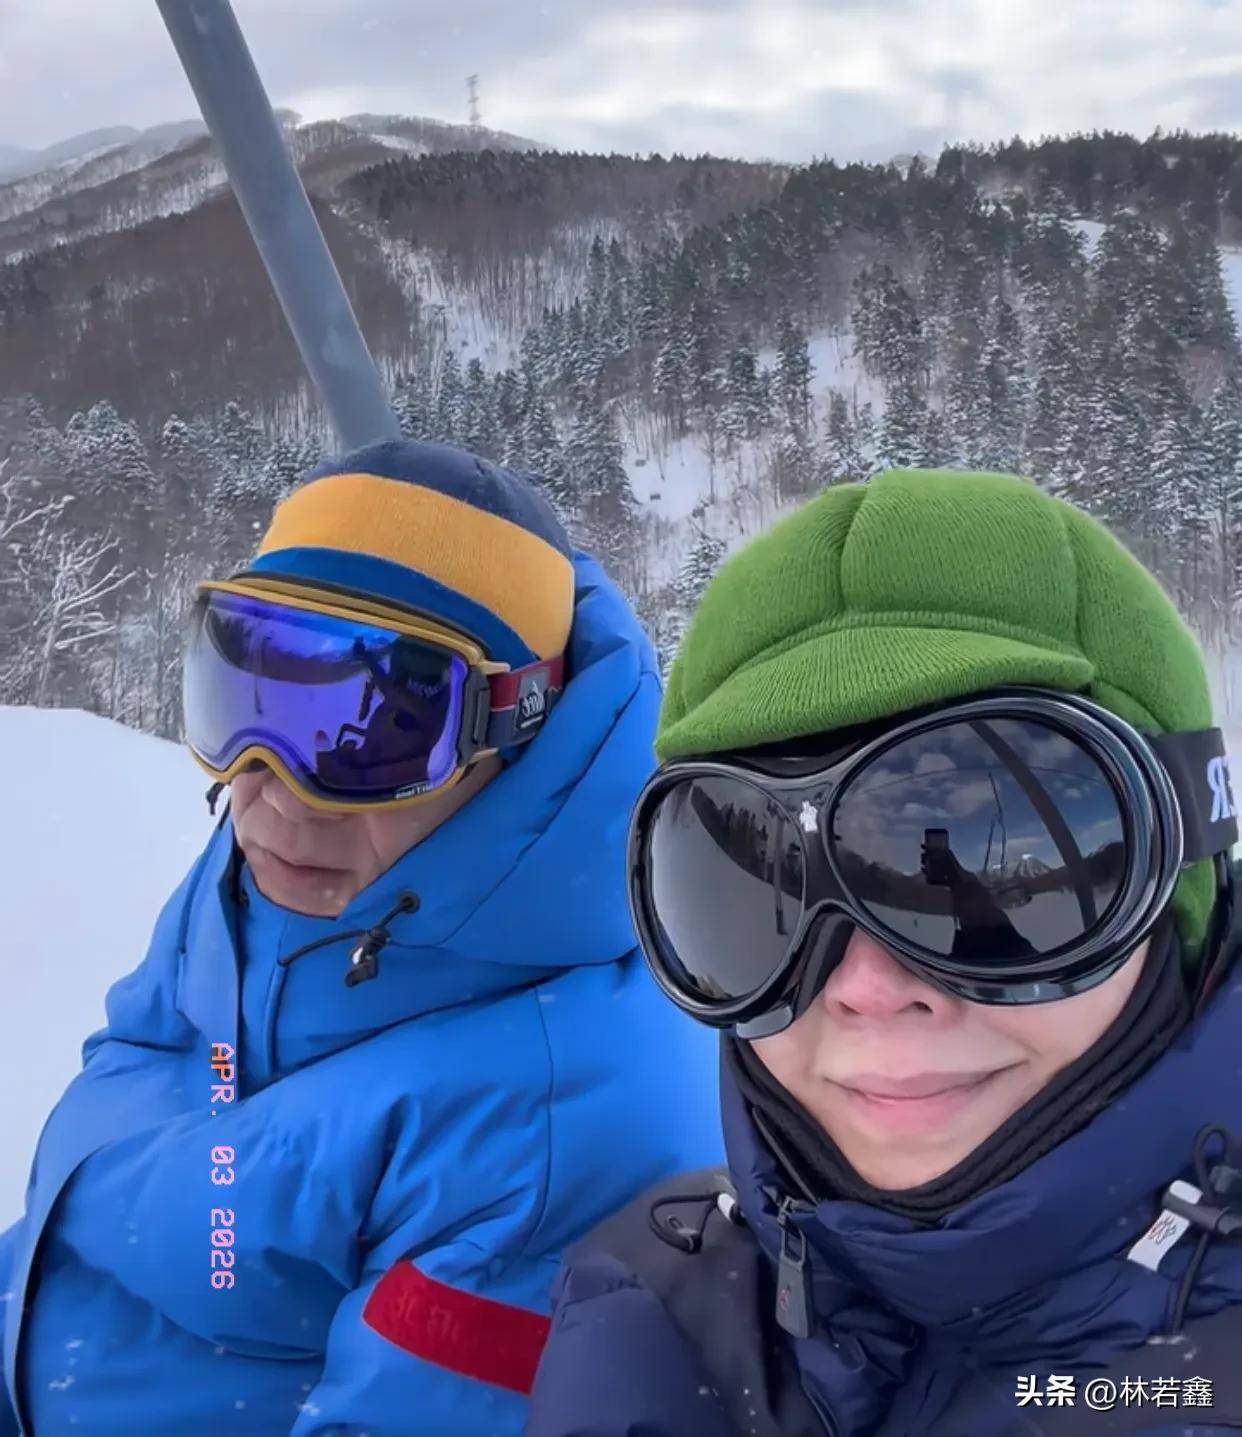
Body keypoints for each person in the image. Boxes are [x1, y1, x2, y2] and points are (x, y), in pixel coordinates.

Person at [0, 438, 720, 1436]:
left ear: (518, 742)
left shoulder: (561, 1133)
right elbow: (151, 1059)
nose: (283, 795)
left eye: (377, 738)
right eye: (249, 699)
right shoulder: (284, 868)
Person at [526, 467, 1242, 1437]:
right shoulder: (647, 1312)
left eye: (1013, 897)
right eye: (762, 901)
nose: (866, 987)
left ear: (1178, 896)